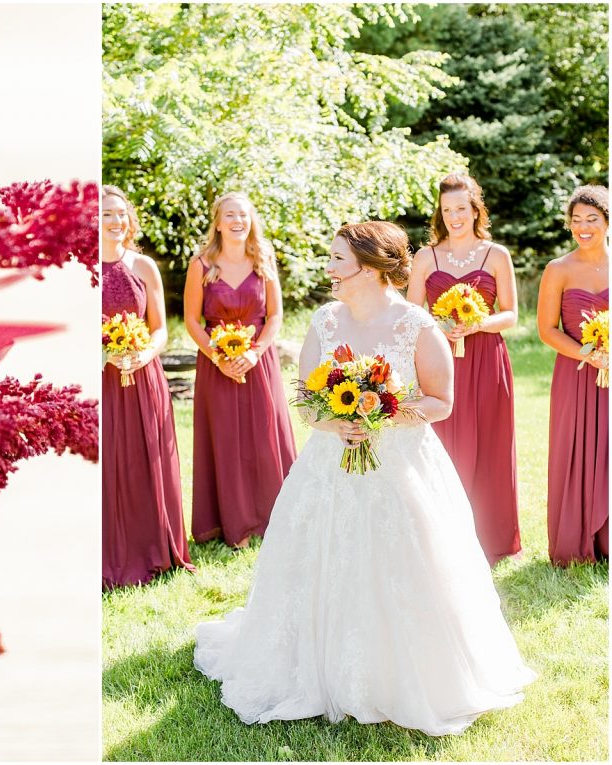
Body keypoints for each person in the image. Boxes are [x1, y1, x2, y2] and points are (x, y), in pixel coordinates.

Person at [194, 221, 535, 736]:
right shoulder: (325, 322)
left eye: (336, 260)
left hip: (403, 465)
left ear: (372, 267)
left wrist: (381, 414)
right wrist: (336, 421)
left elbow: (441, 402)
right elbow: (307, 400)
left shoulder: (418, 326)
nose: (327, 269)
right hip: (331, 464)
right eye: (329, 258)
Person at [406, 173, 520, 565]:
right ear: (440, 212)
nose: (454, 217)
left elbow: (511, 314)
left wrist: (479, 323)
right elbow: (410, 312)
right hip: (438, 360)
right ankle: (438, 535)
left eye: (461, 209)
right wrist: (438, 326)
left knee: (488, 444)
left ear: (475, 209)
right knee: (442, 444)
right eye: (447, 209)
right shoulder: (426, 257)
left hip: (487, 358)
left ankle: (492, 538)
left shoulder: (496, 254)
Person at [183, 192, 296, 548]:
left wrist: (255, 352)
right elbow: (191, 319)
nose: (237, 221)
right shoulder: (200, 264)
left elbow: (275, 315)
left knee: (264, 437)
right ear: (217, 222)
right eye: (229, 215)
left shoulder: (264, 260)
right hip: (216, 363)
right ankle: (229, 522)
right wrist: (218, 356)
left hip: (258, 361)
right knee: (225, 439)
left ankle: (272, 516)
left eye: (243, 215)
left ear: (251, 221)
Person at [101, 185, 194, 588]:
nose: (116, 221)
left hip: (142, 376)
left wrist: (141, 355)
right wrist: (104, 354)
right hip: (101, 378)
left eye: (121, 213)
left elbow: (159, 330)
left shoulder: (143, 266)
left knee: (145, 460)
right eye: (106, 214)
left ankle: (153, 545)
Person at [536, 184, 609, 565]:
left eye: (592, 220)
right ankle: (576, 542)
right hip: (575, 373)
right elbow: (546, 329)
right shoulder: (558, 269)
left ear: (607, 222)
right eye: (576, 220)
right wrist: (590, 353)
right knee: (575, 449)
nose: (583, 227)